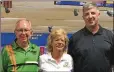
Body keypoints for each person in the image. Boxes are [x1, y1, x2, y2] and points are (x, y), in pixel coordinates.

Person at [68, 2, 114, 72]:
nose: (90, 16)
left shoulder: (110, 36)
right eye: (87, 14)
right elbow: (70, 65)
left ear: (98, 15)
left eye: (93, 13)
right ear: (83, 17)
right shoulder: (74, 39)